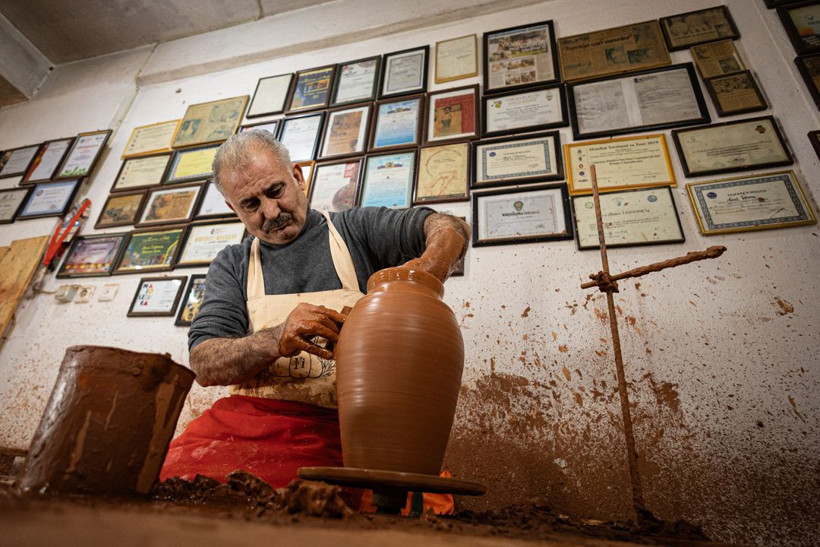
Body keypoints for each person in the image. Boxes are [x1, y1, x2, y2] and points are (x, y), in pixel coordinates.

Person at [160, 130, 470, 506]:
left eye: (275, 191)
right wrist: (275, 339)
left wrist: (426, 272)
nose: (270, 212)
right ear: (233, 208)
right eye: (251, 204)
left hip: (345, 426)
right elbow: (204, 363)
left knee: (317, 504)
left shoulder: (356, 230)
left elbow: (449, 227)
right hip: (249, 424)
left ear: (298, 177)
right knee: (168, 483)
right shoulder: (233, 263)